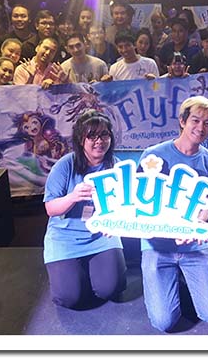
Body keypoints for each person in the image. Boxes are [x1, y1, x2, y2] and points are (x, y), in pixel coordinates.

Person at [138, 96, 208, 332]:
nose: (200, 127)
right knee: (164, 322)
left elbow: (205, 206)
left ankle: (186, 280)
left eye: (207, 123)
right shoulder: (153, 155)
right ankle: (169, 282)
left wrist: (194, 226)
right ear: (182, 121)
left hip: (193, 245)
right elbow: (138, 202)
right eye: (195, 120)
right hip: (158, 245)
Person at [42, 110, 127, 308]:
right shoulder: (65, 165)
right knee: (69, 298)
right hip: (65, 237)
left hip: (102, 236)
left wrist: (116, 223)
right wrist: (72, 197)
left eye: (104, 135)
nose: (99, 141)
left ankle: (93, 271)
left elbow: (125, 205)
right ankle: (72, 272)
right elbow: (50, 208)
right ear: (81, 140)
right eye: (92, 136)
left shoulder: (117, 166)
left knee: (111, 289)